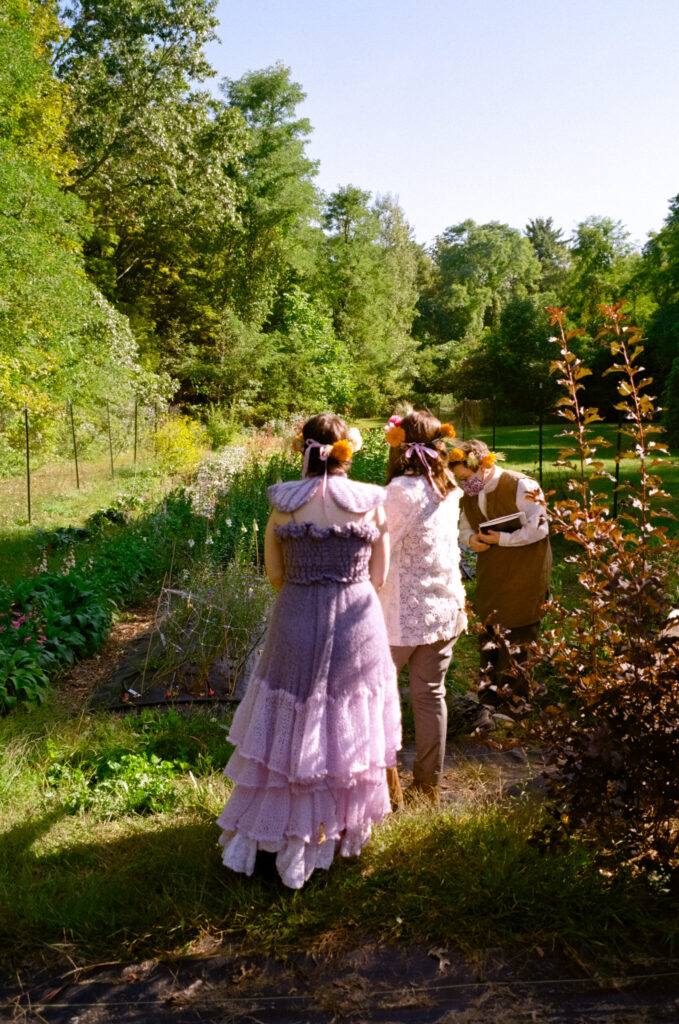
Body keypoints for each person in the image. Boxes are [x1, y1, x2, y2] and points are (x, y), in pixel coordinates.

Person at [217, 414, 401, 889]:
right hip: (357, 623)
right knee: (346, 724)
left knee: (288, 724)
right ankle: (328, 832)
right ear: (347, 451)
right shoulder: (371, 502)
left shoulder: (282, 503)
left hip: (294, 618)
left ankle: (268, 836)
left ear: (303, 447)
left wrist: (305, 587)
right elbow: (379, 578)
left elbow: (274, 574)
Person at [378, 411, 467, 806]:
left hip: (400, 614)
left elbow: (377, 547)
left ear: (400, 445)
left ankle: (387, 790)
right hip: (444, 610)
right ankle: (427, 788)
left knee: (378, 696)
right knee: (431, 697)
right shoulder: (447, 489)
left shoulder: (400, 491)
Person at [449, 439, 551, 705]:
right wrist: (471, 540)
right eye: (461, 479)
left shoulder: (523, 485)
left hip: (525, 569)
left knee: (518, 628)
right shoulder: (472, 491)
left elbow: (540, 527)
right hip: (492, 570)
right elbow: (464, 526)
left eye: (467, 477)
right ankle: (489, 696)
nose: (465, 484)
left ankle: (515, 702)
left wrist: (502, 539)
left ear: (484, 465)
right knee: (491, 626)